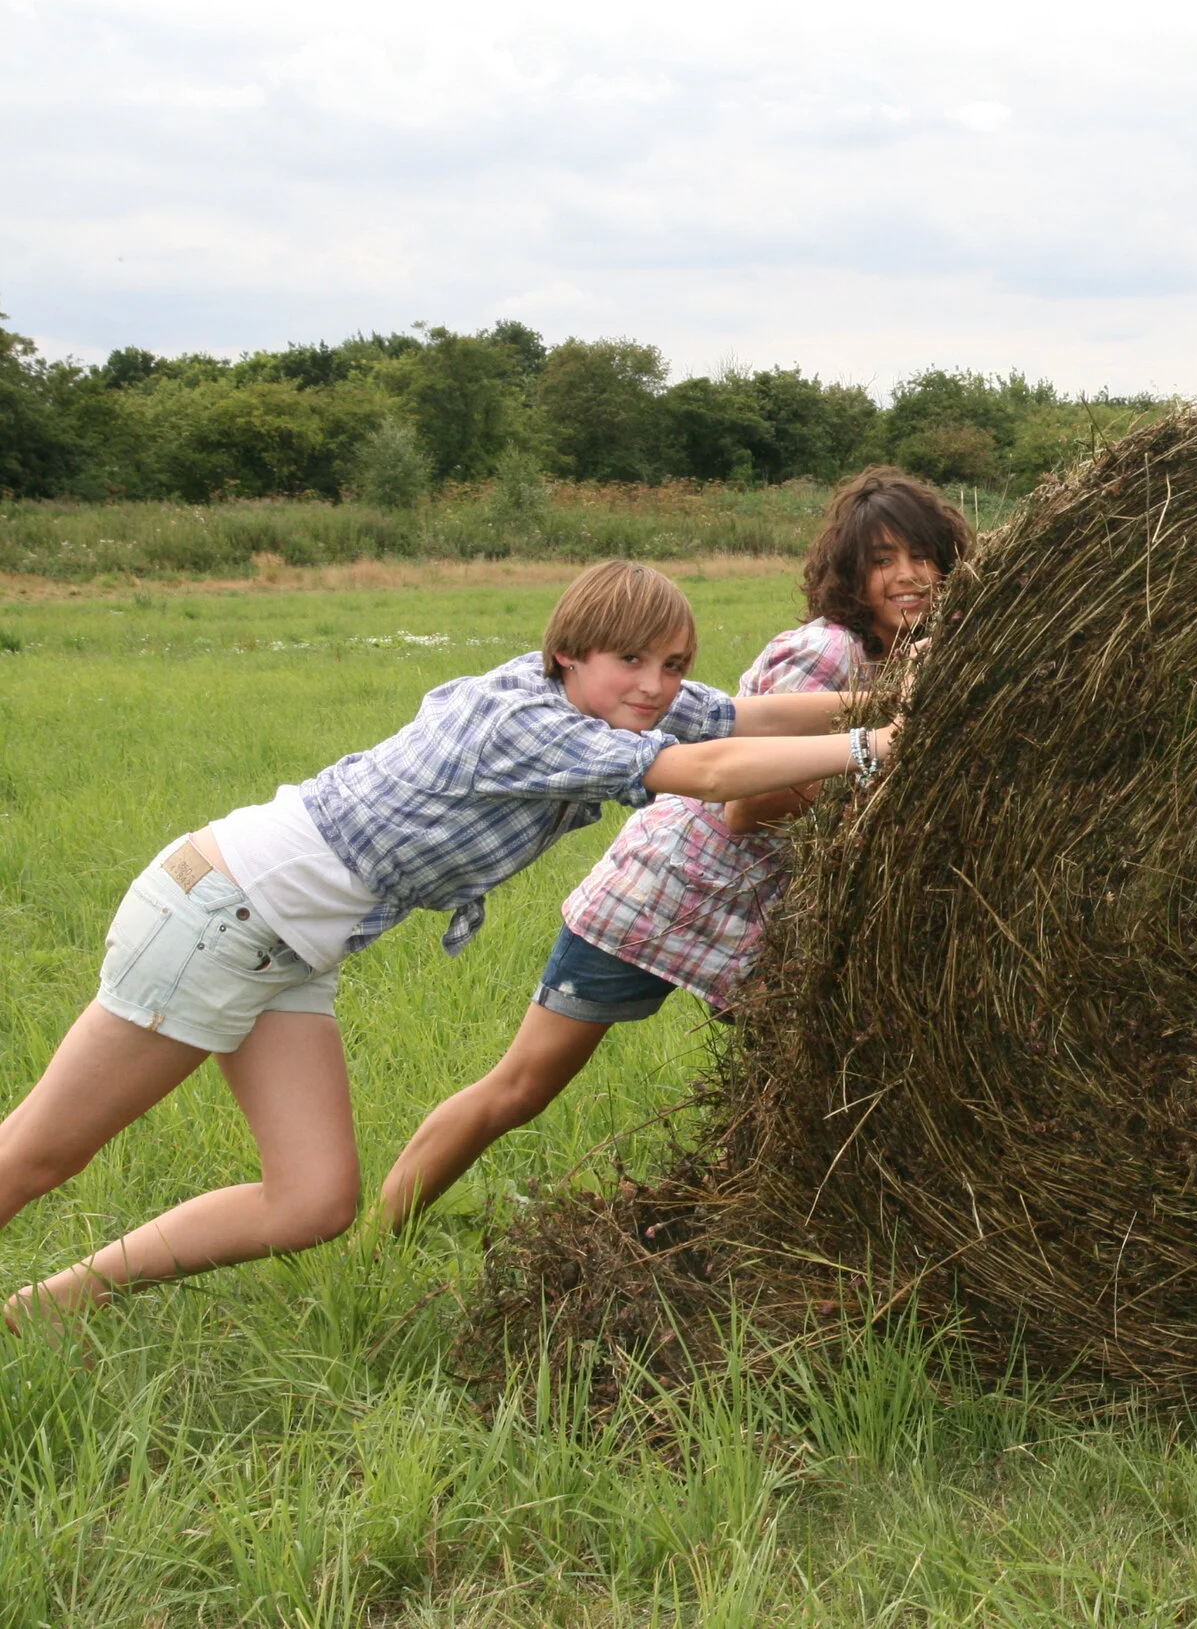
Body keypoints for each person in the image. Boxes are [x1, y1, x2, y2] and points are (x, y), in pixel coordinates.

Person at [0, 559, 889, 1327]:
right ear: (569, 651)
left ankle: (52, 1305)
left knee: (311, 1203)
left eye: (672, 665)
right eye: (633, 660)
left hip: (292, 946)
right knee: (44, 1150)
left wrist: (891, 696)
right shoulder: (522, 722)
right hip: (223, 912)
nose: (655, 686)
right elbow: (709, 770)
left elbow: (739, 717)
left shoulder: (601, 702)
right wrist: (873, 745)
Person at [378, 469, 972, 1227]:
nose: (909, 575)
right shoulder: (827, 651)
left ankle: (776, 1222)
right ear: (850, 574)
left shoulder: (913, 660)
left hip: (758, 920)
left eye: (923, 554)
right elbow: (742, 808)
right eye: (883, 559)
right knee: (522, 1086)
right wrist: (878, 765)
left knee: (821, 1074)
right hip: (664, 895)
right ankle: (378, 1236)